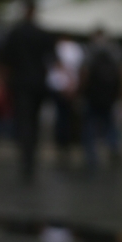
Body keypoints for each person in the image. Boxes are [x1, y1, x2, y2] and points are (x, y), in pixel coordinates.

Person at [0, 0, 56, 182]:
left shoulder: (16, 33)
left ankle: (26, 157)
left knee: (24, 121)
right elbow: (52, 59)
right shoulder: (42, 34)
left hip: (21, 83)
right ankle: (30, 156)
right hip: (38, 83)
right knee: (33, 122)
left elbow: (5, 58)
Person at [80, 28, 122, 171]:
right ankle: (113, 146)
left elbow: (85, 74)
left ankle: (91, 154)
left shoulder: (90, 51)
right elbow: (120, 74)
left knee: (90, 125)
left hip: (93, 95)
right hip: (109, 96)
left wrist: (81, 91)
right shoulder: (115, 51)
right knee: (109, 123)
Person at [46, 35, 83, 166]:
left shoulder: (58, 48)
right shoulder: (76, 49)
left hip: (59, 87)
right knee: (65, 116)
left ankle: (61, 142)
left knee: (61, 116)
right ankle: (65, 143)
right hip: (69, 87)